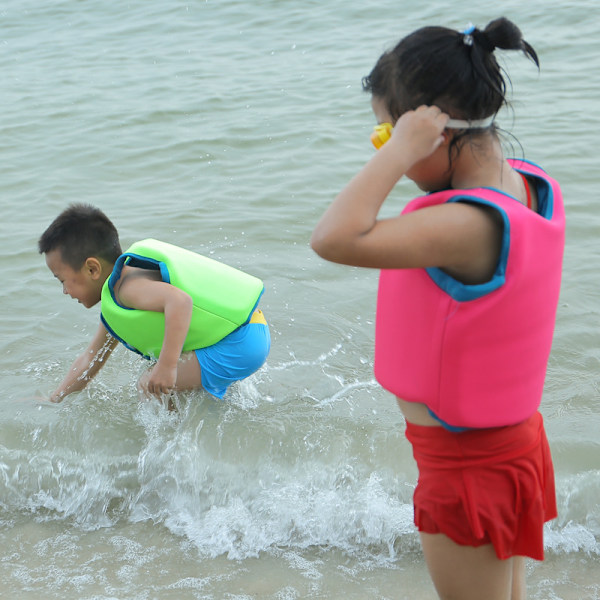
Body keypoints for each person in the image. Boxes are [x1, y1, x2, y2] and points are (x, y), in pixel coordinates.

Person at [311, 18, 563, 600]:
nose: (383, 149)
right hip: (508, 445)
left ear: (433, 132)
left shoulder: (461, 225)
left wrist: (397, 152)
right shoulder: (524, 184)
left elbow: (332, 238)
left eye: (383, 134)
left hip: (468, 465)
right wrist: (400, 142)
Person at [38, 204, 270, 404]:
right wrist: (55, 399)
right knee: (169, 386)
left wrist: (167, 366)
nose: (65, 291)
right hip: (246, 331)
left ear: (92, 269)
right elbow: (90, 359)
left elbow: (180, 302)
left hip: (239, 342)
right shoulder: (115, 304)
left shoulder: (127, 287)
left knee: (149, 384)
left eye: (63, 281)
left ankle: (172, 452)